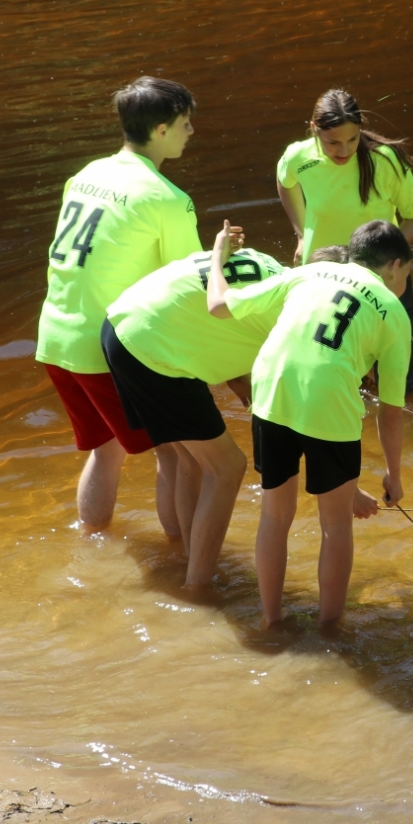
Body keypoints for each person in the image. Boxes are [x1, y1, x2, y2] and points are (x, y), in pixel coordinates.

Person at [206, 219, 413, 629]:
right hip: (330, 399)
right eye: (407, 272)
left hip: (271, 389)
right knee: (335, 526)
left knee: (274, 516)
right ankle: (330, 628)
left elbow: (219, 305)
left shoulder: (305, 272)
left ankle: (270, 621)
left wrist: (217, 255)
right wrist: (394, 473)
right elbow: (390, 411)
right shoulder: (394, 312)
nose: (404, 281)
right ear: (393, 265)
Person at [34, 76, 201, 533]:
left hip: (55, 336)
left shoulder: (87, 174)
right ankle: (184, 566)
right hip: (105, 348)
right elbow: (190, 286)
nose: (191, 132)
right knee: (178, 453)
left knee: (105, 449)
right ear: (162, 130)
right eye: (186, 123)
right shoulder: (168, 199)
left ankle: (91, 544)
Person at [102, 240, 284, 588]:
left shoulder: (270, 266)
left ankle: (190, 561)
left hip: (120, 326)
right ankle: (198, 589)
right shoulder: (295, 321)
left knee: (193, 461)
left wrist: (241, 383)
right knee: (228, 467)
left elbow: (219, 319)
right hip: (154, 349)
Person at [275, 88, 413, 391]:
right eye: (332, 142)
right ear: (313, 129)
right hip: (323, 274)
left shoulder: (385, 162)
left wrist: (382, 260)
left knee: (404, 383)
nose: (344, 151)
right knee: (342, 373)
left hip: (385, 275)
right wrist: (300, 233)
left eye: (352, 139)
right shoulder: (299, 156)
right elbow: (284, 181)